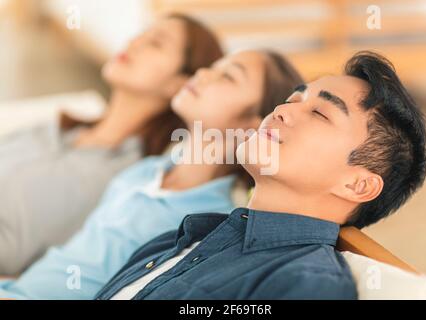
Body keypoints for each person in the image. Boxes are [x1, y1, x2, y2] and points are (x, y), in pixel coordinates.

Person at [94, 51, 426, 300]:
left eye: (318, 113)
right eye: (292, 99)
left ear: (357, 184)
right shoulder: (181, 236)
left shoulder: (305, 283)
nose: (282, 111)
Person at [0, 50, 303, 299]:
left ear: (255, 125)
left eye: (227, 76)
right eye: (211, 67)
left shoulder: (204, 222)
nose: (202, 74)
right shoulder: (144, 172)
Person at [0, 13, 223, 274]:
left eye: (156, 43)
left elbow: (13, 254)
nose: (134, 42)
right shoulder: (55, 128)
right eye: (141, 35)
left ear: (181, 84)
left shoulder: (124, 180)